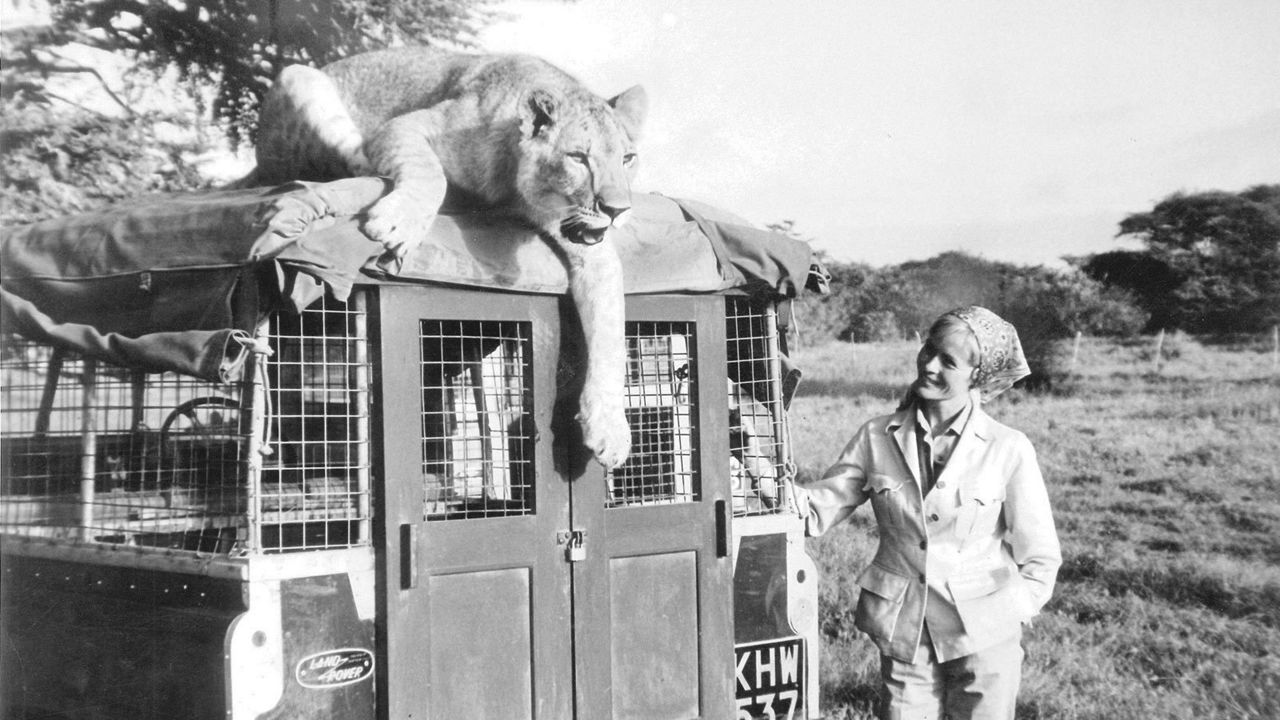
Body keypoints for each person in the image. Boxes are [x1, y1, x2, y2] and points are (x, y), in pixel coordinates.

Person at [798, 306, 1061, 720]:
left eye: (949, 362)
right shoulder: (876, 435)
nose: (930, 365)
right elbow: (817, 509)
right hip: (907, 634)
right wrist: (764, 479)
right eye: (929, 350)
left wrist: (1012, 612)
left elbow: (1041, 554)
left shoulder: (1007, 447)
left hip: (985, 640)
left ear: (978, 375)